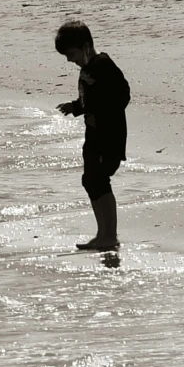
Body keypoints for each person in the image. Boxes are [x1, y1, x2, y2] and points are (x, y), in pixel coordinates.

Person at [53, 20, 130, 253]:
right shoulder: (87, 70)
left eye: (72, 54)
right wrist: (76, 107)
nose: (69, 60)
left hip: (109, 137)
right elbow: (90, 99)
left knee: (100, 181)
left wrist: (101, 114)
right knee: (90, 181)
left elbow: (122, 95)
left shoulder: (104, 65)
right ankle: (101, 234)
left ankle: (110, 235)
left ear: (86, 47)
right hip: (93, 136)